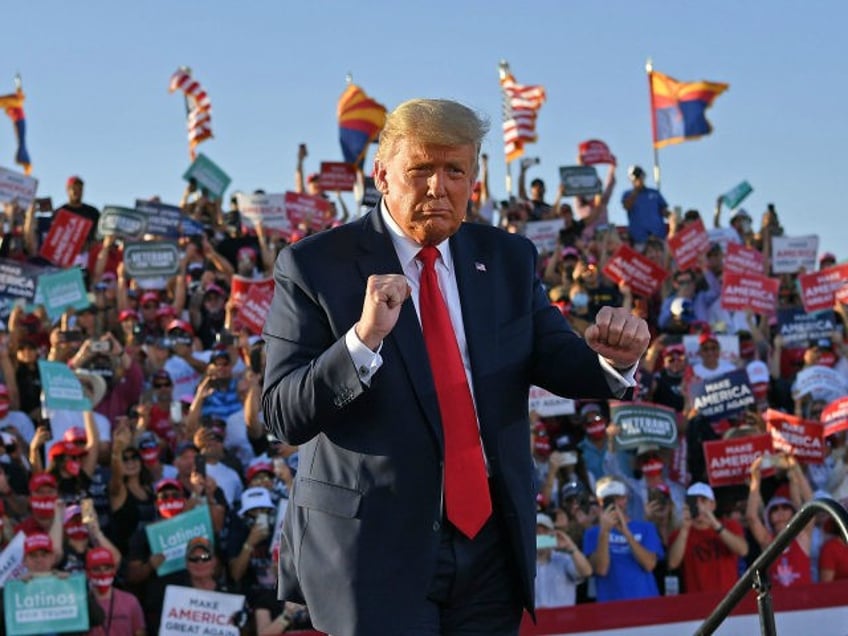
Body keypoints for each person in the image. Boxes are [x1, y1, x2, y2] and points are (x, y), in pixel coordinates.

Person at [262, 98, 650, 635]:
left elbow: (557, 355)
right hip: (374, 548)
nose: (437, 187)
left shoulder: (508, 258)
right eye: (420, 169)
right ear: (382, 175)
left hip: (490, 542)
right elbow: (282, 413)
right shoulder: (313, 265)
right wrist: (363, 338)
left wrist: (613, 359)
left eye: (455, 170)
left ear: (474, 178)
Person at [583, 476, 664, 602]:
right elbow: (601, 569)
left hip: (646, 602)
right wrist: (604, 532)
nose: (615, 504)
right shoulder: (592, 533)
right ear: (600, 503)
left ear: (626, 499)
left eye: (618, 498)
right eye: (609, 500)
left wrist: (626, 533)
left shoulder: (646, 528)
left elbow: (649, 565)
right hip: (611, 606)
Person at [667, 482, 748, 594]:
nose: (699, 506)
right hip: (698, 600)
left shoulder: (730, 525)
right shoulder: (679, 534)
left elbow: (742, 550)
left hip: (729, 597)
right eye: (694, 502)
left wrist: (714, 524)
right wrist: (685, 528)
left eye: (703, 501)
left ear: (713, 505)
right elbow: (673, 563)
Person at [534, 512, 591, 608]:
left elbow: (586, 572)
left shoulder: (564, 559)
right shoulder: (522, 566)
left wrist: (571, 546)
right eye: (536, 532)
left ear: (552, 534)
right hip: (533, 621)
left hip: (562, 620)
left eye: (544, 532)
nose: (540, 536)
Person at [620, 165, 669, 248]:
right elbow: (626, 206)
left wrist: (672, 217)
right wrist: (636, 191)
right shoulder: (627, 194)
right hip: (639, 241)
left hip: (658, 239)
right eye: (635, 178)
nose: (638, 179)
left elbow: (664, 211)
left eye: (640, 176)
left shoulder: (654, 193)